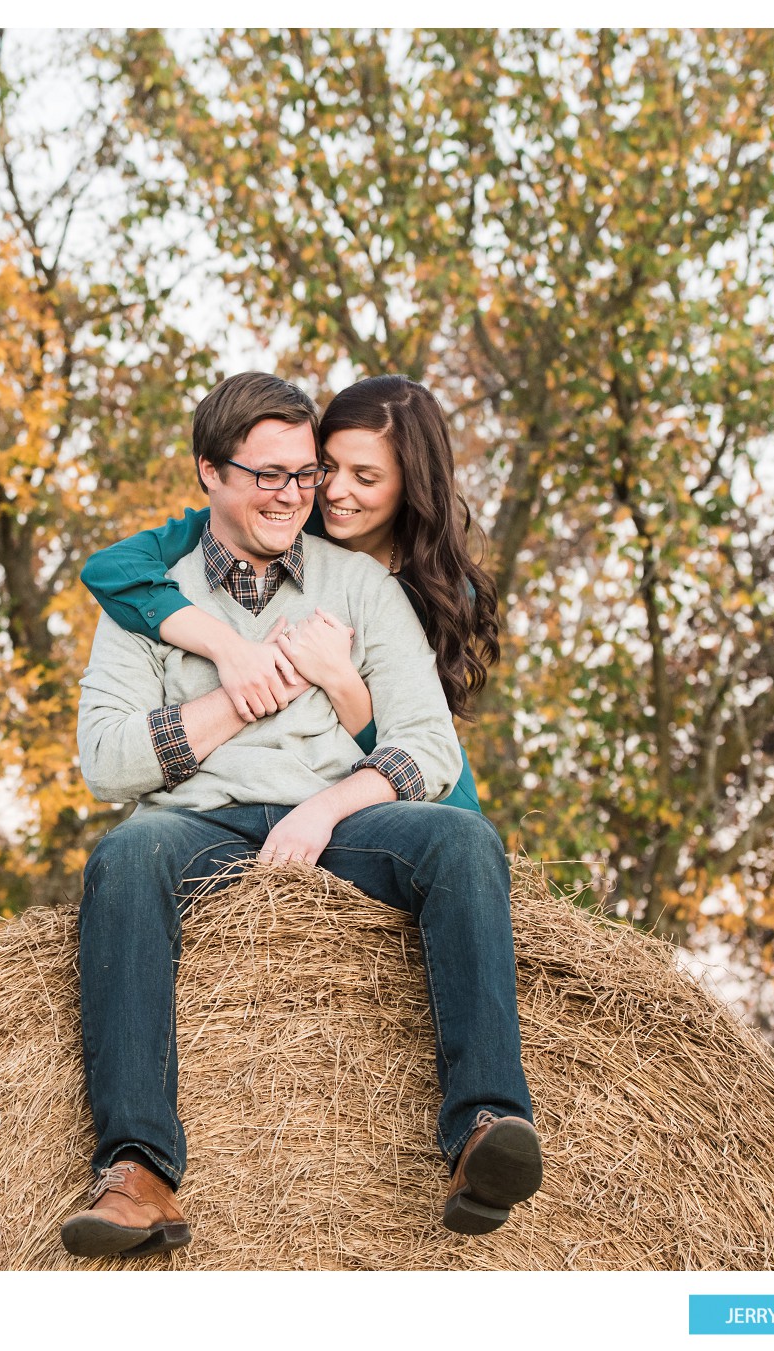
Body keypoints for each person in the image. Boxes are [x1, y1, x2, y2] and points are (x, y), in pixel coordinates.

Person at [59, 372, 539, 1260]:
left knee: (465, 838)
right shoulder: (147, 603)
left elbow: (430, 748)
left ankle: (486, 1127)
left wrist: (323, 807)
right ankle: (139, 1169)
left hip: (341, 815)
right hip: (197, 823)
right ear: (212, 473)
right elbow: (105, 763)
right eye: (269, 475)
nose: (294, 495)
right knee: (124, 856)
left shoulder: (359, 584)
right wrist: (235, 694)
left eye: (305, 476)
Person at [78, 374, 503, 814]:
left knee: (461, 830)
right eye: (329, 467)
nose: (334, 491)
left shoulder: (439, 588)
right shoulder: (286, 518)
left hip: (385, 766)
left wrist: (338, 678)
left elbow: (422, 737)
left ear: (411, 484)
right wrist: (232, 651)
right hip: (262, 787)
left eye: (366, 477)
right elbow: (111, 568)